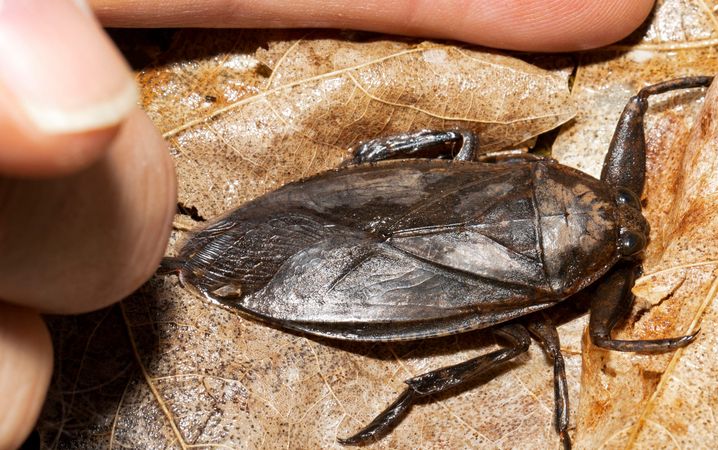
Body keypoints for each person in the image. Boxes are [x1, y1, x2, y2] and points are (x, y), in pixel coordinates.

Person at [0, 0, 654, 447]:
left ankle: (210, 262)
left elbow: (457, 142)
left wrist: (368, 165)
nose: (628, 230)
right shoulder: (545, 289)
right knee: (513, 341)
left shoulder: (526, 179)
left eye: (618, 236)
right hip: (369, 274)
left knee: (457, 150)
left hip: (358, 221)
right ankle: (404, 391)